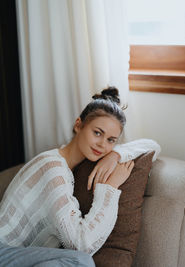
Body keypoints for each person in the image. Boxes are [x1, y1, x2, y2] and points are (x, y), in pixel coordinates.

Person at [0, 87, 161, 267]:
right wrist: (110, 187)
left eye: (111, 140)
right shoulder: (53, 168)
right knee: (79, 260)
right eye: (97, 133)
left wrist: (115, 155)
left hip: (17, 254)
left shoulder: (63, 166)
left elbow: (151, 145)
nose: (102, 145)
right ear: (78, 125)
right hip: (3, 251)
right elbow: (81, 244)